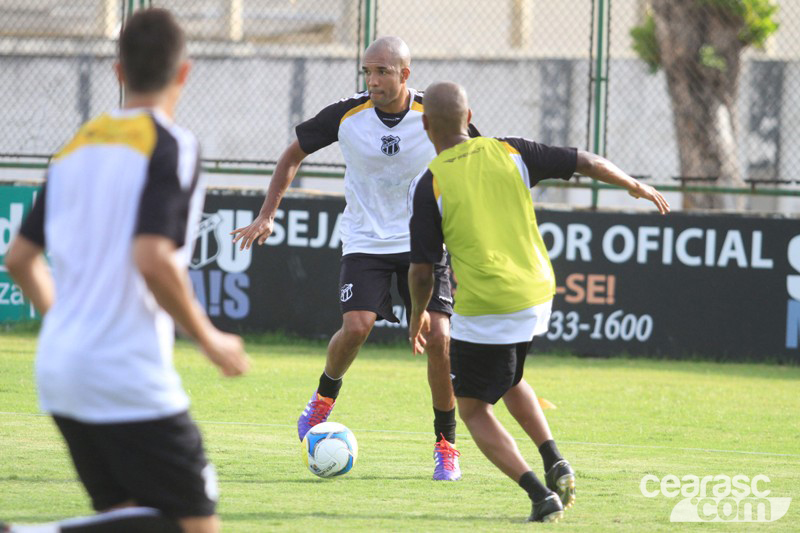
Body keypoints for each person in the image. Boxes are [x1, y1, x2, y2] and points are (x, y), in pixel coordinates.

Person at [2, 9, 250, 533]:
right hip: (125, 373)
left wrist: (67, 321)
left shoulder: (74, 149)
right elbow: (153, 258)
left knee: (126, 520)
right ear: (185, 72)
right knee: (196, 525)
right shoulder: (172, 145)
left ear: (118, 72)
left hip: (61, 368)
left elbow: (20, 259)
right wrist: (209, 338)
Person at [408, 82, 670, 522]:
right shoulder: (511, 151)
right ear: (469, 117)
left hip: (490, 305)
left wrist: (418, 316)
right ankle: (554, 460)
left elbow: (421, 270)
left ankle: (538, 494)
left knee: (471, 407)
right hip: (538, 295)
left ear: (425, 124)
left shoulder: (430, 182)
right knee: (509, 378)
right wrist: (632, 183)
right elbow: (584, 160)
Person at [231, 36, 464, 481]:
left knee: (439, 339)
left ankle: (446, 446)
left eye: (382, 72)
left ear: (405, 75)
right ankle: (321, 401)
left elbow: (473, 162)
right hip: (366, 240)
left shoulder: (432, 115)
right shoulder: (347, 114)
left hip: (425, 241)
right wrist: (266, 214)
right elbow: (292, 153)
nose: (372, 80)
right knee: (357, 326)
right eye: (367, 72)